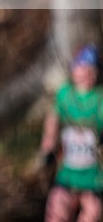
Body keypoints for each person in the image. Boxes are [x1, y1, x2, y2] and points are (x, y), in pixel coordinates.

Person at [38, 43, 103, 222]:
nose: (84, 74)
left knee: (93, 212)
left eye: (90, 69)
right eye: (80, 68)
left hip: (95, 179)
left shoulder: (99, 99)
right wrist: (47, 148)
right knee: (56, 209)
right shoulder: (65, 95)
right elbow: (52, 122)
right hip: (66, 175)